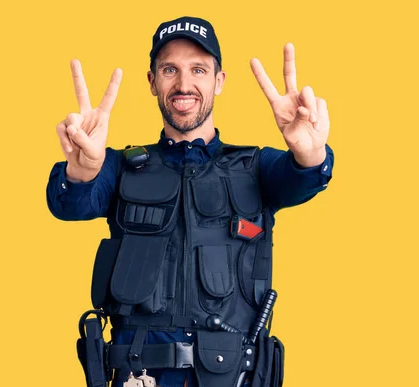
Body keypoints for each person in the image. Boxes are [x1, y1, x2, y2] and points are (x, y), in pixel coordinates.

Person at [47, 16, 334, 387]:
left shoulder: (257, 168)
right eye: (170, 69)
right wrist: (83, 170)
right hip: (138, 375)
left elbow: (301, 179)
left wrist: (311, 155)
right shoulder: (118, 167)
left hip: (231, 375)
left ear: (219, 81)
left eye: (198, 69)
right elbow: (69, 204)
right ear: (152, 82)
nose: (184, 84)